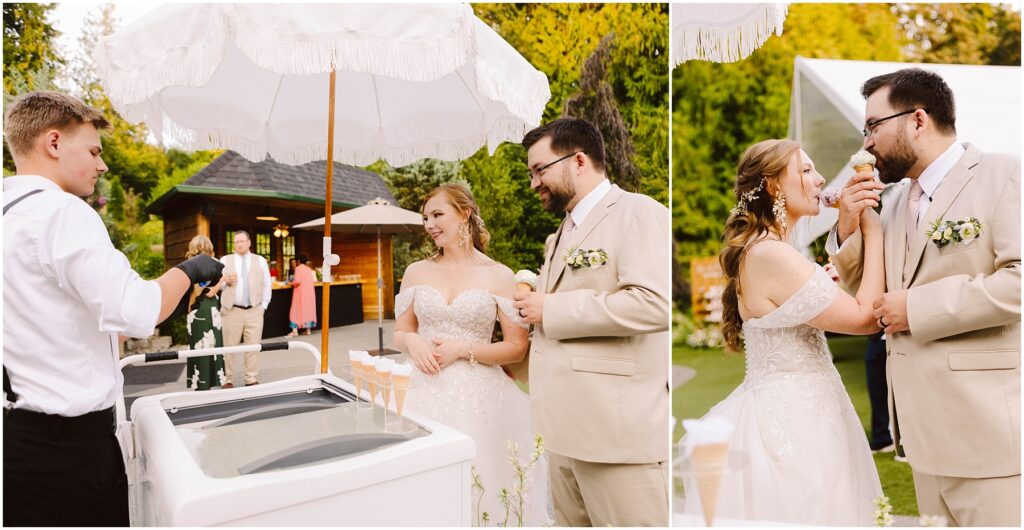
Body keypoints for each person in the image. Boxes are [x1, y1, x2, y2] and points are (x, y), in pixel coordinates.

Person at [3, 91, 223, 526]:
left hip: (15, 442)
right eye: (93, 150)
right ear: (53, 143)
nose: (102, 165)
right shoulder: (62, 213)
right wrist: (192, 268)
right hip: (68, 448)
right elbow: (140, 310)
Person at [829, 68, 1020, 526]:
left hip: (989, 436)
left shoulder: (1004, 175)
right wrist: (847, 225)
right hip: (919, 439)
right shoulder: (892, 201)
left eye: (874, 125)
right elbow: (855, 284)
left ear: (918, 119)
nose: (868, 142)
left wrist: (915, 308)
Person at [680, 139, 885, 525]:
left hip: (802, 406)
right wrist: (871, 229)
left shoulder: (768, 249)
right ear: (774, 186)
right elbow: (864, 318)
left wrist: (846, 227)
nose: (821, 178)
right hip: (794, 423)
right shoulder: (773, 255)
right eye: (806, 170)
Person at [513, 118, 671, 526]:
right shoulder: (559, 235)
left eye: (539, 170)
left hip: (616, 435)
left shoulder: (640, 213)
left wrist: (550, 309)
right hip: (562, 434)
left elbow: (653, 304)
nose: (534, 183)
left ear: (578, 160)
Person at [393, 183, 550, 526]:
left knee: (483, 482)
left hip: (480, 398)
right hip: (420, 388)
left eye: (437, 214)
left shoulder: (499, 274)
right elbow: (400, 332)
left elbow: (516, 346)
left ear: (464, 214)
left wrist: (463, 350)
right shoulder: (416, 271)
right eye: (425, 218)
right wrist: (414, 342)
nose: (429, 224)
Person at [219, 230, 272, 387]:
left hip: (254, 310)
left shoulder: (260, 260)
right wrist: (225, 282)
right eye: (237, 242)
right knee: (229, 346)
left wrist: (263, 306)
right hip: (231, 310)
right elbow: (217, 285)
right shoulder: (224, 260)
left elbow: (267, 283)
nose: (239, 244)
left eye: (242, 241)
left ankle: (251, 378)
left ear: (249, 243)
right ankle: (227, 379)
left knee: (254, 346)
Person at [184, 235, 227, 390]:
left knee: (197, 344)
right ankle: (211, 380)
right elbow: (209, 292)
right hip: (208, 306)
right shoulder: (213, 264)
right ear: (209, 247)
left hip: (192, 307)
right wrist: (223, 280)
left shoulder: (187, 265)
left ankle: (199, 381)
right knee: (211, 343)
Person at [287, 254, 317, 336]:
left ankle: (295, 331)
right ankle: (308, 330)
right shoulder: (309, 269)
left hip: (300, 293)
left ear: (298, 261)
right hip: (309, 293)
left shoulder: (298, 268)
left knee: (295, 310)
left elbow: (297, 281)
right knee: (307, 310)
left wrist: (290, 283)